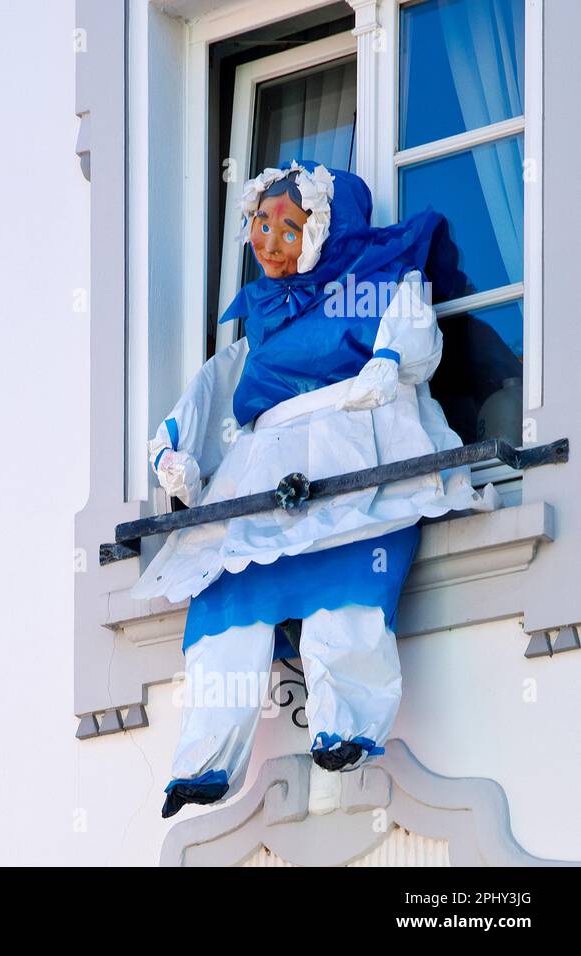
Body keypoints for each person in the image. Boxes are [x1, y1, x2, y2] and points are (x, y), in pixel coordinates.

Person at [133, 161, 483, 819]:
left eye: (286, 227)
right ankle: (202, 759)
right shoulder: (261, 321)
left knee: (348, 585)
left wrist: (387, 362)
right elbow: (216, 384)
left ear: (326, 227)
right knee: (226, 602)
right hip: (262, 469)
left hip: (348, 450)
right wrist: (174, 448)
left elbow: (410, 325)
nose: (266, 242)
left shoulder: (378, 285)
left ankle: (346, 723)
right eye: (259, 225)